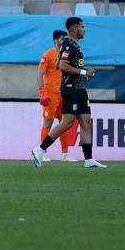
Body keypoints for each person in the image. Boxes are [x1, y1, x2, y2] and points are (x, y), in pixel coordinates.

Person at [32, 16, 107, 168]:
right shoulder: (67, 45)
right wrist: (84, 72)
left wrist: (83, 76)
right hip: (70, 89)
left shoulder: (75, 45)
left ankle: (89, 159)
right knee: (67, 123)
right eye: (82, 27)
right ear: (74, 29)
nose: (84, 30)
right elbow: (63, 66)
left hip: (79, 89)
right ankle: (39, 149)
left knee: (86, 122)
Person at [36, 29, 78, 159]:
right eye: (62, 39)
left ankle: (65, 154)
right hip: (51, 95)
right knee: (48, 122)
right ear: (56, 40)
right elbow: (40, 74)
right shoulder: (48, 55)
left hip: (64, 94)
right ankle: (42, 153)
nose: (65, 41)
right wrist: (42, 91)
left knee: (64, 123)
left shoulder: (67, 55)